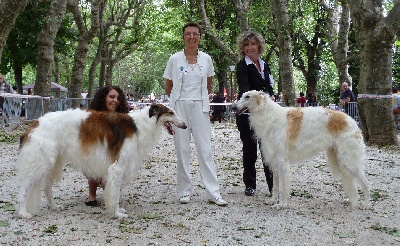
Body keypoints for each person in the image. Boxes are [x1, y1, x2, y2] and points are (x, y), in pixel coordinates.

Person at [163, 22, 228, 206]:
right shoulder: (174, 59)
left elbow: (208, 84)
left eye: (195, 34)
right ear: (183, 37)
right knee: (182, 150)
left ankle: (213, 193)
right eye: (188, 34)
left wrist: (199, 100)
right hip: (180, 107)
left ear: (200, 37)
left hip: (200, 106)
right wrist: (179, 101)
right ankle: (184, 191)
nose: (192, 37)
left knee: (205, 149)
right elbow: (169, 86)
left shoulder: (206, 59)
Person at [235, 31, 274, 197]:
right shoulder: (242, 66)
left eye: (253, 44)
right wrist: (263, 97)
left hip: (265, 114)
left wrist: (272, 95)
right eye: (246, 45)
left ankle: (273, 185)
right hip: (247, 114)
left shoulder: (265, 65)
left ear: (259, 45)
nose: (250, 47)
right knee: (250, 150)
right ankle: (250, 184)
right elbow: (245, 90)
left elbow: (270, 87)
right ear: (243, 48)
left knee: (268, 150)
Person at [84, 85, 130, 206]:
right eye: (111, 97)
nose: (115, 100)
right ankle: (92, 195)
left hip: (114, 156)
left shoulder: (123, 119)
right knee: (93, 163)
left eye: (118, 98)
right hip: (93, 155)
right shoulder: (91, 117)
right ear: (103, 98)